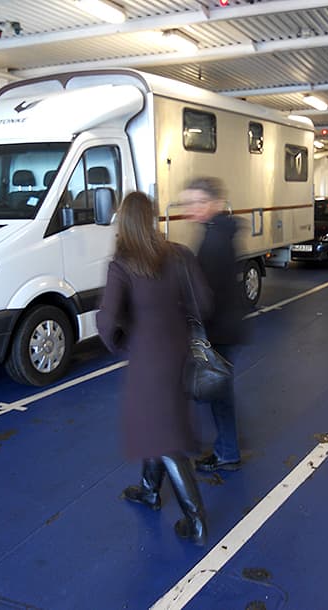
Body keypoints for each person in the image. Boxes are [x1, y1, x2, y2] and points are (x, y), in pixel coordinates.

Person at [97, 191, 211, 546]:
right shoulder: (177, 254)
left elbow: (107, 320)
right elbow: (203, 301)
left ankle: (196, 520)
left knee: (162, 436)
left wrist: (121, 344)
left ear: (123, 222)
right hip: (178, 350)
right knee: (157, 422)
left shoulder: (123, 263)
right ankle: (149, 489)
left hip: (148, 357)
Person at [180, 177, 245, 473]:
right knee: (220, 391)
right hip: (225, 326)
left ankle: (227, 453)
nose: (193, 208)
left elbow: (207, 293)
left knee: (217, 392)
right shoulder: (217, 231)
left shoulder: (215, 240)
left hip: (218, 329)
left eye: (198, 202)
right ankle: (225, 448)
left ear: (215, 203)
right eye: (189, 203)